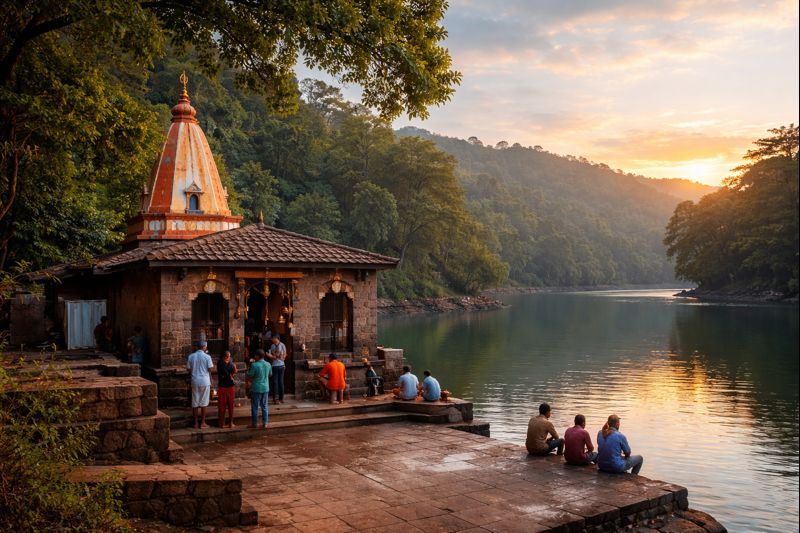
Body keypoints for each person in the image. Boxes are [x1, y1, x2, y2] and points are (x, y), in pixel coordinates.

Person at [187, 341, 213, 429]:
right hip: (205, 381)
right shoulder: (207, 357)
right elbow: (210, 369)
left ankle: (195, 423)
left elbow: (189, 369)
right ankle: (202, 423)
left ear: (196, 347)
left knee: (195, 402)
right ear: (204, 347)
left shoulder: (191, 356)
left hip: (195, 380)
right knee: (204, 402)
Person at [246, 349, 271, 429]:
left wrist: (248, 370)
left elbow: (250, 375)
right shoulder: (268, 364)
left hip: (256, 388)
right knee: (264, 406)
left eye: (255, 355)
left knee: (255, 406)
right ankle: (265, 423)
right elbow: (270, 374)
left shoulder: (254, 365)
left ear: (257, 356)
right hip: (265, 387)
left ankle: (254, 423)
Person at [217, 351, 237, 428]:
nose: (229, 358)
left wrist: (233, 371)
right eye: (228, 357)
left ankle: (224, 423)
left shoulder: (222, 363)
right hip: (226, 386)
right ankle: (227, 423)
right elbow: (231, 372)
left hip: (224, 386)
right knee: (227, 406)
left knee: (225, 406)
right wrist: (234, 369)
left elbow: (232, 373)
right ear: (225, 357)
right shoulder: (222, 363)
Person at [268, 335, 287, 404]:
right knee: (275, 382)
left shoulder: (282, 345)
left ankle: (281, 398)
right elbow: (272, 356)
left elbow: (285, 355)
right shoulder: (272, 346)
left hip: (281, 365)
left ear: (277, 338)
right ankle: (275, 399)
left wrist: (281, 357)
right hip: (274, 365)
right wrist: (271, 356)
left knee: (281, 382)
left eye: (273, 338)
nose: (272, 339)